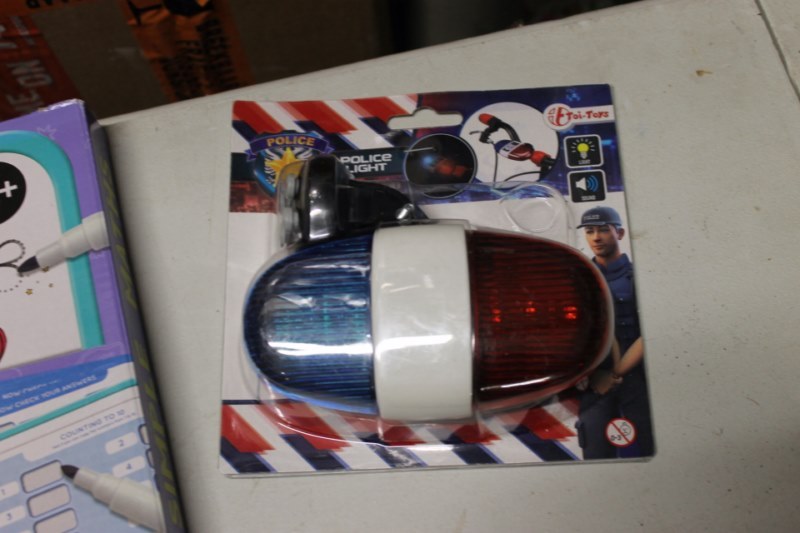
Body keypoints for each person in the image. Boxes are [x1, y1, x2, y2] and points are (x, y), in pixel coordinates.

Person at [575, 206, 654, 459]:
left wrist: (616, 373)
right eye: (590, 231)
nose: (596, 237)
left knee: (651, 445)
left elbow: (651, 330)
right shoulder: (579, 279)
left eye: (603, 230)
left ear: (619, 233)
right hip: (595, 378)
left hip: (638, 374)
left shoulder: (639, 276)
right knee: (595, 449)